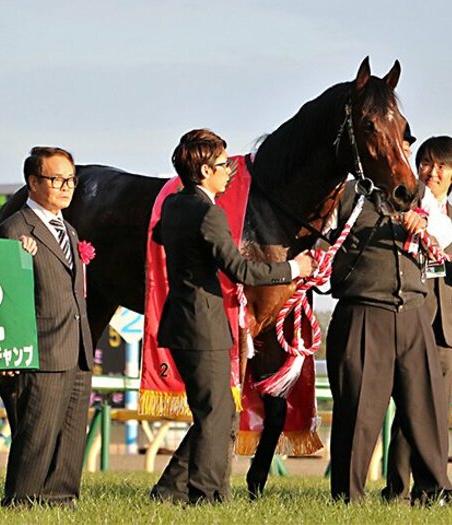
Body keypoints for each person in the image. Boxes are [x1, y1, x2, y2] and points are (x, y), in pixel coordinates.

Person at [149, 129, 317, 504]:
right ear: (205, 170)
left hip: (181, 324)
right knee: (216, 415)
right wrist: (294, 267)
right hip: (202, 326)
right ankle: (207, 495)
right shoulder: (209, 213)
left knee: (219, 412)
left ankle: (169, 490)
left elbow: (161, 234)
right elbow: (242, 270)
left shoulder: (175, 205)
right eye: (224, 165)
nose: (230, 171)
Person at [325, 170, 452, 503]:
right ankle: (348, 496)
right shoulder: (345, 192)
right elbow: (321, 237)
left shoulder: (418, 193)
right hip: (364, 309)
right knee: (359, 411)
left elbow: (446, 230)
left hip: (413, 312)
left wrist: (424, 223)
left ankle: (433, 491)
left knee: (424, 406)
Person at [0, 146, 94, 509]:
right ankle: (22, 501)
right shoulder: (15, 228)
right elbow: (6, 297)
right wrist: (8, 351)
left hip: (78, 346)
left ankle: (61, 498)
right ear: (33, 182)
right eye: (56, 179)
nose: (66, 187)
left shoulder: (69, 228)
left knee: (70, 433)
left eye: (70, 180)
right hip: (40, 347)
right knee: (36, 432)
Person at [383, 136, 452, 501]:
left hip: (446, 330)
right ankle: (399, 488)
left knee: (437, 410)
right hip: (408, 317)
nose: (432, 172)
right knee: (409, 408)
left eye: (442, 167)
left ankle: (431, 487)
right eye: (426, 163)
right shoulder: (401, 207)